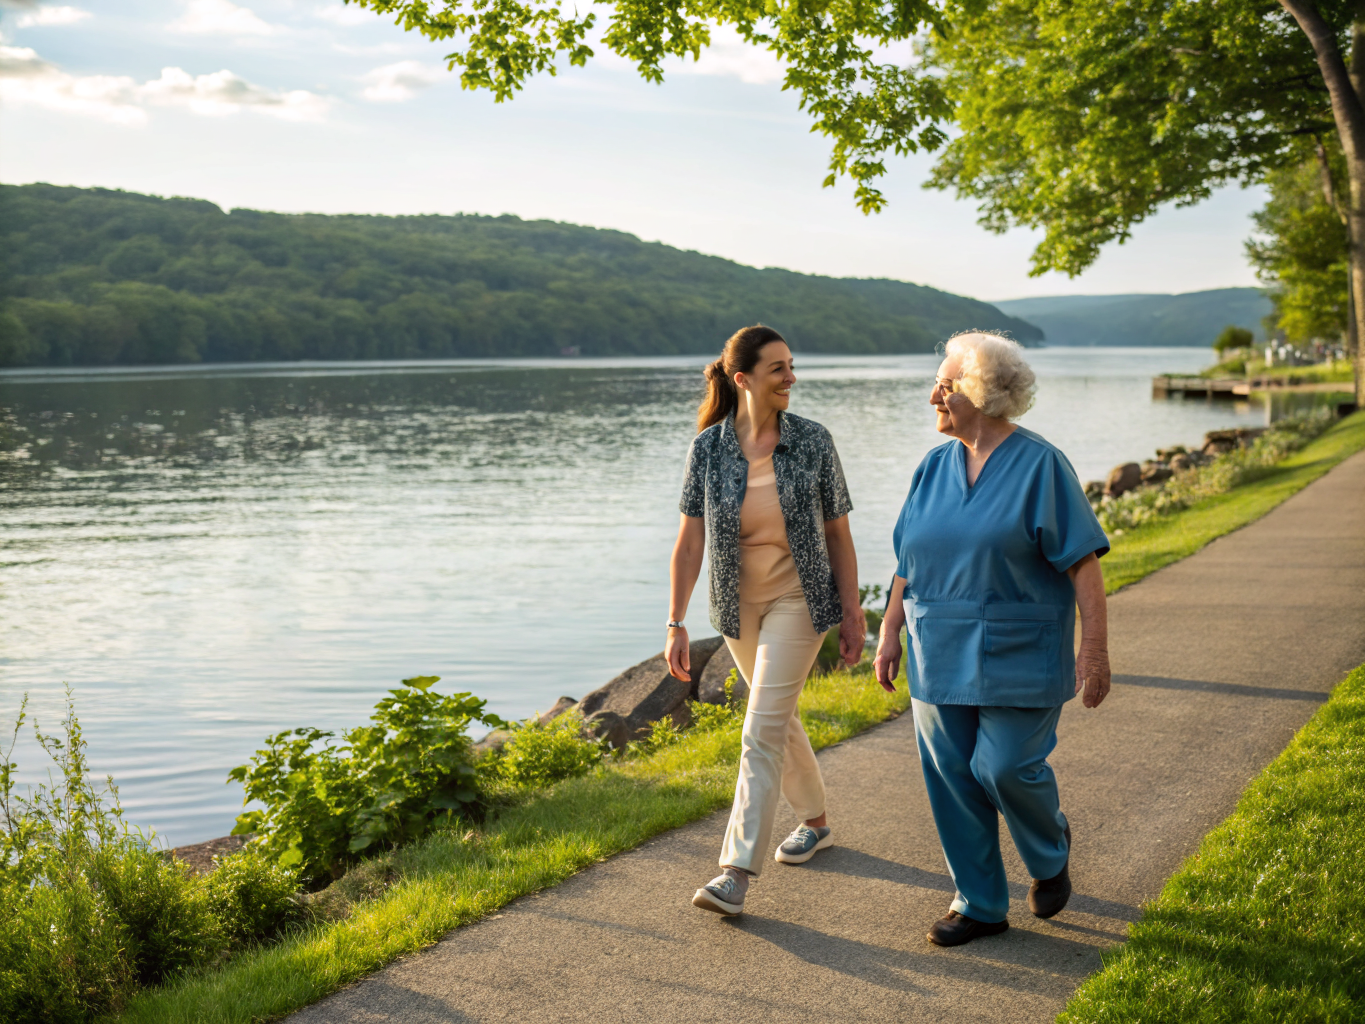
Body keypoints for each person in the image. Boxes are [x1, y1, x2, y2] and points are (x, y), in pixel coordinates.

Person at [874, 331, 1112, 947]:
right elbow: (908, 559)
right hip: (936, 650)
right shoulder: (932, 468)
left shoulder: (1041, 465)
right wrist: (889, 629)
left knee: (1003, 766)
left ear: (979, 393)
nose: (933, 395)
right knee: (952, 774)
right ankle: (979, 902)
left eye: (945, 386)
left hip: (1021, 651)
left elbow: (1083, 562)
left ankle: (1050, 848)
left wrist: (1094, 650)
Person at [666, 324, 866, 916]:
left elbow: (838, 534)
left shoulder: (812, 440)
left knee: (759, 729)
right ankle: (818, 822)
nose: (790, 378)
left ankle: (734, 872)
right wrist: (674, 621)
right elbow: (688, 541)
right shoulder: (708, 447)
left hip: (800, 601)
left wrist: (852, 613)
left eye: (792, 365)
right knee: (776, 716)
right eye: (778, 368)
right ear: (742, 378)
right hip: (735, 607)